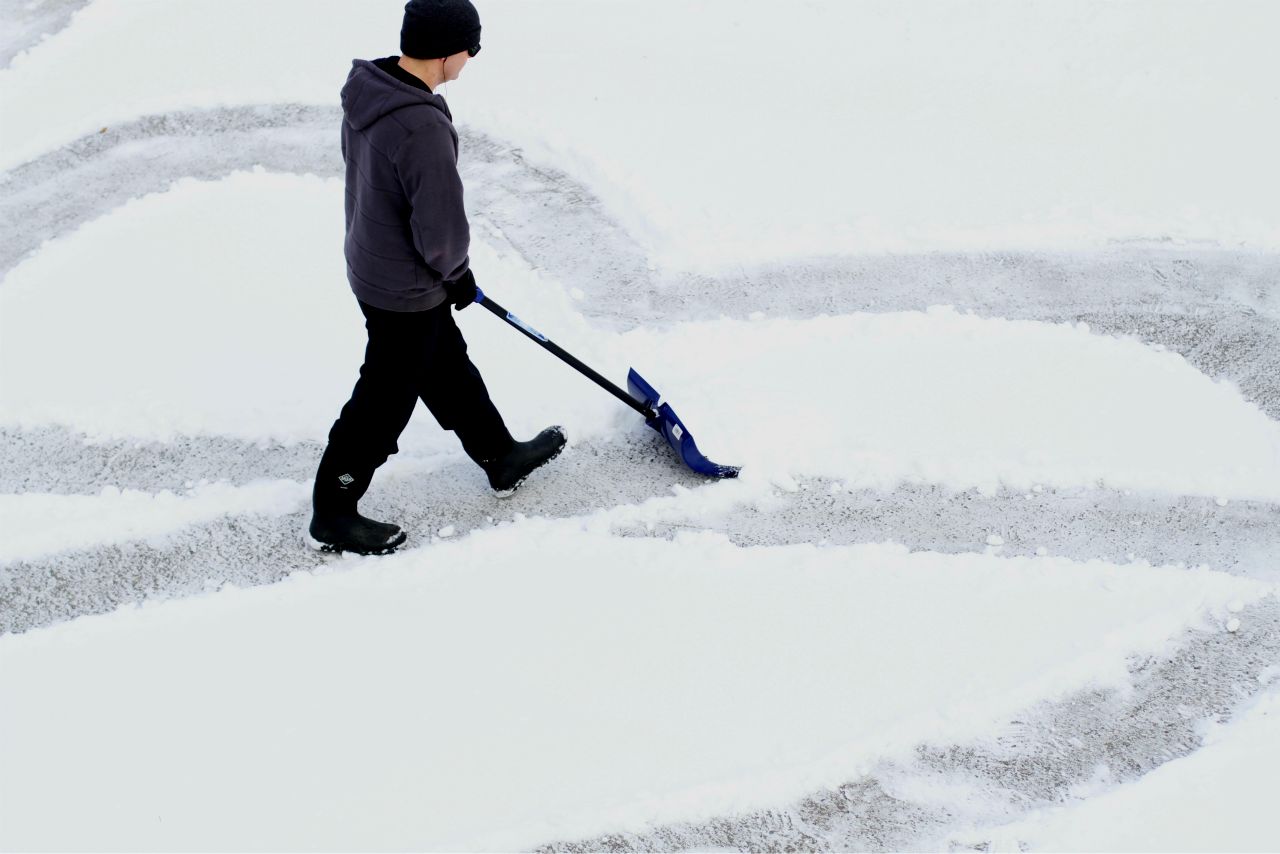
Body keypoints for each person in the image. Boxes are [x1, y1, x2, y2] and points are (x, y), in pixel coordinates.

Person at [308, 0, 566, 556]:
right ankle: (334, 509)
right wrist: (456, 273)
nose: (471, 59)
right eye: (471, 49)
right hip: (404, 286)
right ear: (449, 51)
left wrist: (446, 274)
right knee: (383, 402)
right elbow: (441, 227)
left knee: (445, 365)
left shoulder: (372, 88)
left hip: (376, 260)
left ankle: (500, 455)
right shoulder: (420, 124)